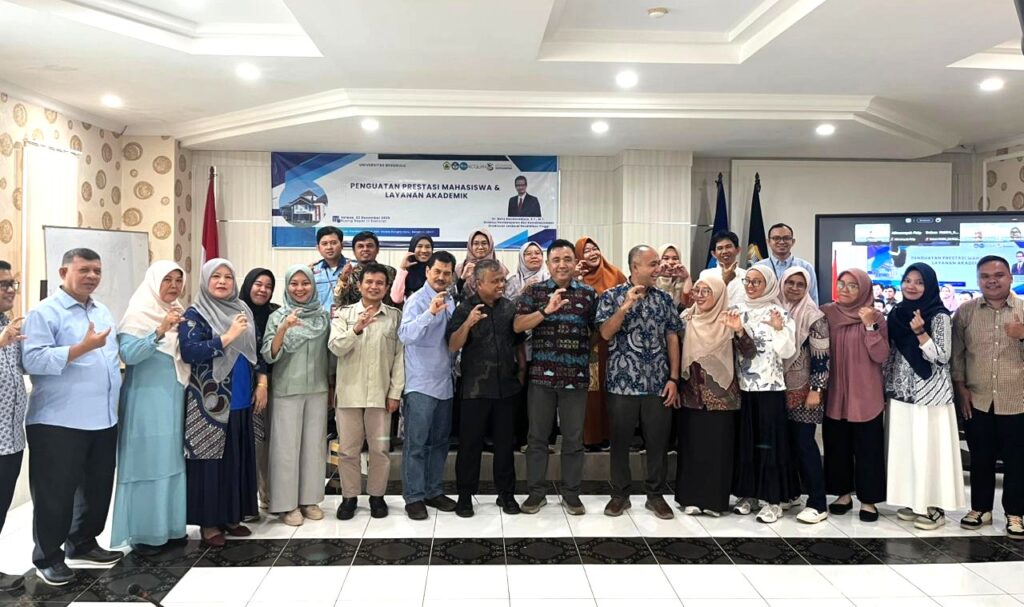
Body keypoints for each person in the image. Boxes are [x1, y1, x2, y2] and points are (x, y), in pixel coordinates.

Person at [21, 248, 123, 585]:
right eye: (84, 270)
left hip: (102, 418)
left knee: (96, 489)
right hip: (58, 421)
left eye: (97, 270)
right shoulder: (44, 313)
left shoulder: (102, 310)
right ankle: (48, 556)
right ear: (64, 272)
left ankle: (83, 542)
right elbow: (32, 361)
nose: (92, 276)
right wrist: (82, 348)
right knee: (55, 494)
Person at [180, 259, 267, 547]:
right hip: (210, 401)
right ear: (205, 281)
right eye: (215, 276)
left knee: (237, 459)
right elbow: (190, 351)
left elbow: (255, 351)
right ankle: (209, 524)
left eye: (228, 277)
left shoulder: (242, 310)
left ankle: (232, 516)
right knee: (210, 463)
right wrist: (227, 337)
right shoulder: (196, 313)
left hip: (242, 396)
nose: (222, 281)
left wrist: (261, 383)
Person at [596, 245, 682, 519]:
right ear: (635, 267)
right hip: (622, 383)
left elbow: (672, 338)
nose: (659, 268)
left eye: (658, 263)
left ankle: (655, 496)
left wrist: (674, 378)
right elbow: (605, 333)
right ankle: (620, 495)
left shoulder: (665, 299)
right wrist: (625, 307)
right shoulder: (611, 296)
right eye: (653, 264)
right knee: (620, 442)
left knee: (657, 443)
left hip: (658, 383)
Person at [111, 261, 189, 556]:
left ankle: (171, 528)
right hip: (145, 402)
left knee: (171, 461)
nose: (173, 286)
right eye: (167, 279)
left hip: (173, 399)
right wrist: (159, 330)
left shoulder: (179, 311)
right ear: (154, 282)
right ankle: (144, 533)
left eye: (178, 280)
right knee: (147, 462)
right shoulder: (138, 313)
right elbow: (129, 355)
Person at [514, 239, 597, 516]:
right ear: (548, 264)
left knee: (573, 439)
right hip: (541, 379)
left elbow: (597, 332)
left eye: (567, 259)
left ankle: (571, 494)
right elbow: (517, 325)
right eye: (556, 260)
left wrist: (582, 355)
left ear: (575, 263)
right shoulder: (534, 292)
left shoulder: (588, 294)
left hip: (576, 379)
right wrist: (545, 311)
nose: (562, 264)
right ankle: (536, 493)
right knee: (537, 438)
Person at [884, 263, 965, 530]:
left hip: (930, 395)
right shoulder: (897, 313)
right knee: (907, 449)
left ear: (929, 286)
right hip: (902, 392)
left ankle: (934, 507)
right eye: (908, 280)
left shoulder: (939, 315)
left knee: (930, 451)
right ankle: (914, 501)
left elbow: (942, 357)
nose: (912, 286)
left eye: (919, 282)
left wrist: (921, 333)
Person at [952, 255, 1024, 539]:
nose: (992, 281)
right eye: (985, 276)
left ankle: (1015, 513)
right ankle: (980, 509)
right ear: (978, 279)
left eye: (998, 275)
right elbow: (958, 354)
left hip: (1017, 399)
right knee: (980, 457)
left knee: (1018, 461)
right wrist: (960, 388)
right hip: (977, 398)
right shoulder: (966, 311)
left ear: (1010, 277)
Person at [447, 259, 526, 517]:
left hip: (506, 389)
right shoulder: (465, 308)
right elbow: (452, 345)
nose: (501, 285)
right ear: (479, 283)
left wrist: (522, 371)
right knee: (470, 447)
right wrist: (468, 323)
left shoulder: (509, 307)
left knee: (505, 446)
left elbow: (518, 342)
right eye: (495, 281)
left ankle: (506, 494)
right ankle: (465, 496)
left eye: (502, 280)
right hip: (475, 390)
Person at [330, 263, 405, 520]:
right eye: (369, 282)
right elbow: (335, 347)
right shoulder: (343, 314)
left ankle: (377, 496)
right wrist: (356, 329)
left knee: (380, 450)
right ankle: (349, 497)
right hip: (349, 395)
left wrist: (395, 393)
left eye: (379, 283)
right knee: (348, 450)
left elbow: (400, 357)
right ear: (360, 286)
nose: (374, 287)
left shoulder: (394, 317)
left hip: (380, 396)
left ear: (386, 287)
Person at [727, 266, 798, 524]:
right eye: (748, 281)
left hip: (770, 388)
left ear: (768, 284)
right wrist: (737, 330)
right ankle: (748, 494)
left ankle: (772, 500)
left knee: (769, 444)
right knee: (747, 442)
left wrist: (778, 329)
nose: (751, 286)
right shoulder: (737, 310)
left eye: (757, 282)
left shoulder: (779, 312)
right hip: (743, 388)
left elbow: (787, 351)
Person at [262, 265, 331, 526]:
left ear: (313, 285)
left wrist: (332, 385)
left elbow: (330, 355)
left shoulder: (323, 317)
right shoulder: (277, 316)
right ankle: (286, 504)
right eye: (294, 283)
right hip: (286, 390)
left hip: (318, 389)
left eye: (305, 283)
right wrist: (284, 328)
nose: (300, 288)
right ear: (287, 286)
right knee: (285, 449)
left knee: (314, 448)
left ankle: (309, 500)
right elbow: (269, 354)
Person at [821, 268, 889, 522]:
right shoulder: (827, 313)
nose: (845, 290)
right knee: (837, 446)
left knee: (868, 449)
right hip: (835, 391)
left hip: (866, 394)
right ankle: (843, 494)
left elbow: (881, 355)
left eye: (852, 286)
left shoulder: (875, 316)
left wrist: (870, 326)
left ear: (864, 290)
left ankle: (869, 500)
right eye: (842, 284)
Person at [398, 251, 459, 520]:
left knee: (440, 443)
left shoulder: (451, 300)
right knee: (416, 444)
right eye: (437, 272)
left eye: (447, 273)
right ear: (427, 272)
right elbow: (405, 335)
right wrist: (430, 313)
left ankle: (433, 491)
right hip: (420, 384)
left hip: (445, 383)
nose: (442, 277)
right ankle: (414, 496)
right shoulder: (416, 300)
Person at [675, 275, 741, 518]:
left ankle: (714, 501)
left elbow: (748, 353)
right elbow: (675, 353)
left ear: (719, 294)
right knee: (692, 448)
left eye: (706, 291)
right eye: (697, 291)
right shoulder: (686, 318)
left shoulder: (729, 320)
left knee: (718, 451)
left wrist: (740, 331)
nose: (700, 296)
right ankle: (690, 498)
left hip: (722, 397)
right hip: (691, 395)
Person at [778, 267, 831, 524]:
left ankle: (818, 502)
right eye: (790, 282)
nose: (795, 288)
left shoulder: (814, 316)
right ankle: (791, 493)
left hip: (805, 392)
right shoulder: (776, 310)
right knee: (785, 445)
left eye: (800, 284)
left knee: (805, 446)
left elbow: (822, 358)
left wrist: (816, 390)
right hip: (778, 389)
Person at [574, 236, 627, 451]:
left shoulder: (615, 274)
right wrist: (576, 278)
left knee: (610, 388)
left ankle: (609, 435)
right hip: (586, 342)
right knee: (590, 390)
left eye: (595, 248)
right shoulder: (576, 278)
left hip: (614, 343)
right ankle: (590, 436)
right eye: (586, 251)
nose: (592, 253)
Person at [240, 268, 278, 515]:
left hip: (273, 385)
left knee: (266, 444)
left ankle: (268, 496)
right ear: (248, 285)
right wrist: (259, 383)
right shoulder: (235, 312)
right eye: (258, 284)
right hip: (242, 386)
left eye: (268, 286)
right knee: (249, 444)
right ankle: (245, 501)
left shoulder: (276, 313)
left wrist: (264, 383)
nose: (263, 290)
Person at [505, 241, 550, 448]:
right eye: (528, 254)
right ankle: (521, 438)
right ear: (522, 258)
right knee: (522, 394)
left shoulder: (550, 280)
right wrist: (523, 292)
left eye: (537, 253)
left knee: (543, 396)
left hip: (546, 345)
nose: (533, 257)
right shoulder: (512, 281)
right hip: (520, 346)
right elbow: (506, 310)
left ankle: (545, 440)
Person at [0, 260, 27, 590]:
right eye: (3, 284)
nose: (10, 290)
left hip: (11, 438)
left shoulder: (10, 324)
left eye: (11, 284)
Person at [756, 223, 820, 303]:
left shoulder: (806, 267)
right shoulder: (758, 267)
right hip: (767, 310)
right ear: (768, 241)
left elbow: (813, 299)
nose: (781, 242)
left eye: (786, 238)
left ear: (793, 241)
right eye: (776, 238)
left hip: (799, 311)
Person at [334, 231, 398, 308]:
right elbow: (339, 303)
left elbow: (398, 300)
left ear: (377, 250)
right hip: (355, 315)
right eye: (360, 246)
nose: (365, 249)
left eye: (369, 246)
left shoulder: (390, 271)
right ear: (354, 251)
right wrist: (343, 279)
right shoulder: (347, 274)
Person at [455, 229, 508, 300]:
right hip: (465, 306)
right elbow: (453, 295)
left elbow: (504, 294)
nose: (480, 247)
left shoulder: (500, 268)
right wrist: (462, 278)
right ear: (470, 246)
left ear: (490, 245)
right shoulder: (460, 268)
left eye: (484, 243)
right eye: (476, 243)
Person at [699, 231, 746, 306]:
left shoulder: (746, 275)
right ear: (713, 254)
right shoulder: (706, 275)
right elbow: (704, 301)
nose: (724, 251)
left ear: (738, 250)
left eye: (728, 247)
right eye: (720, 248)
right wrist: (725, 280)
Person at [390, 234, 435, 306]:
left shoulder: (436, 270)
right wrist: (402, 269)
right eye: (419, 246)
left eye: (428, 247)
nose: (424, 250)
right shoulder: (406, 272)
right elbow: (396, 299)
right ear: (412, 248)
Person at [311, 226, 347, 313]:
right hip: (321, 319)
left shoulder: (354, 268)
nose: (329, 247)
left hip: (348, 319)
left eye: (333, 243)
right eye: (324, 244)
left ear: (342, 245)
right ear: (318, 248)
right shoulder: (312, 271)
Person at [656, 243, 692, 310]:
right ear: (659, 261)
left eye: (675, 258)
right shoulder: (653, 278)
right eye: (666, 258)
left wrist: (687, 278)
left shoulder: (682, 278)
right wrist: (657, 275)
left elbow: (686, 304)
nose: (671, 262)